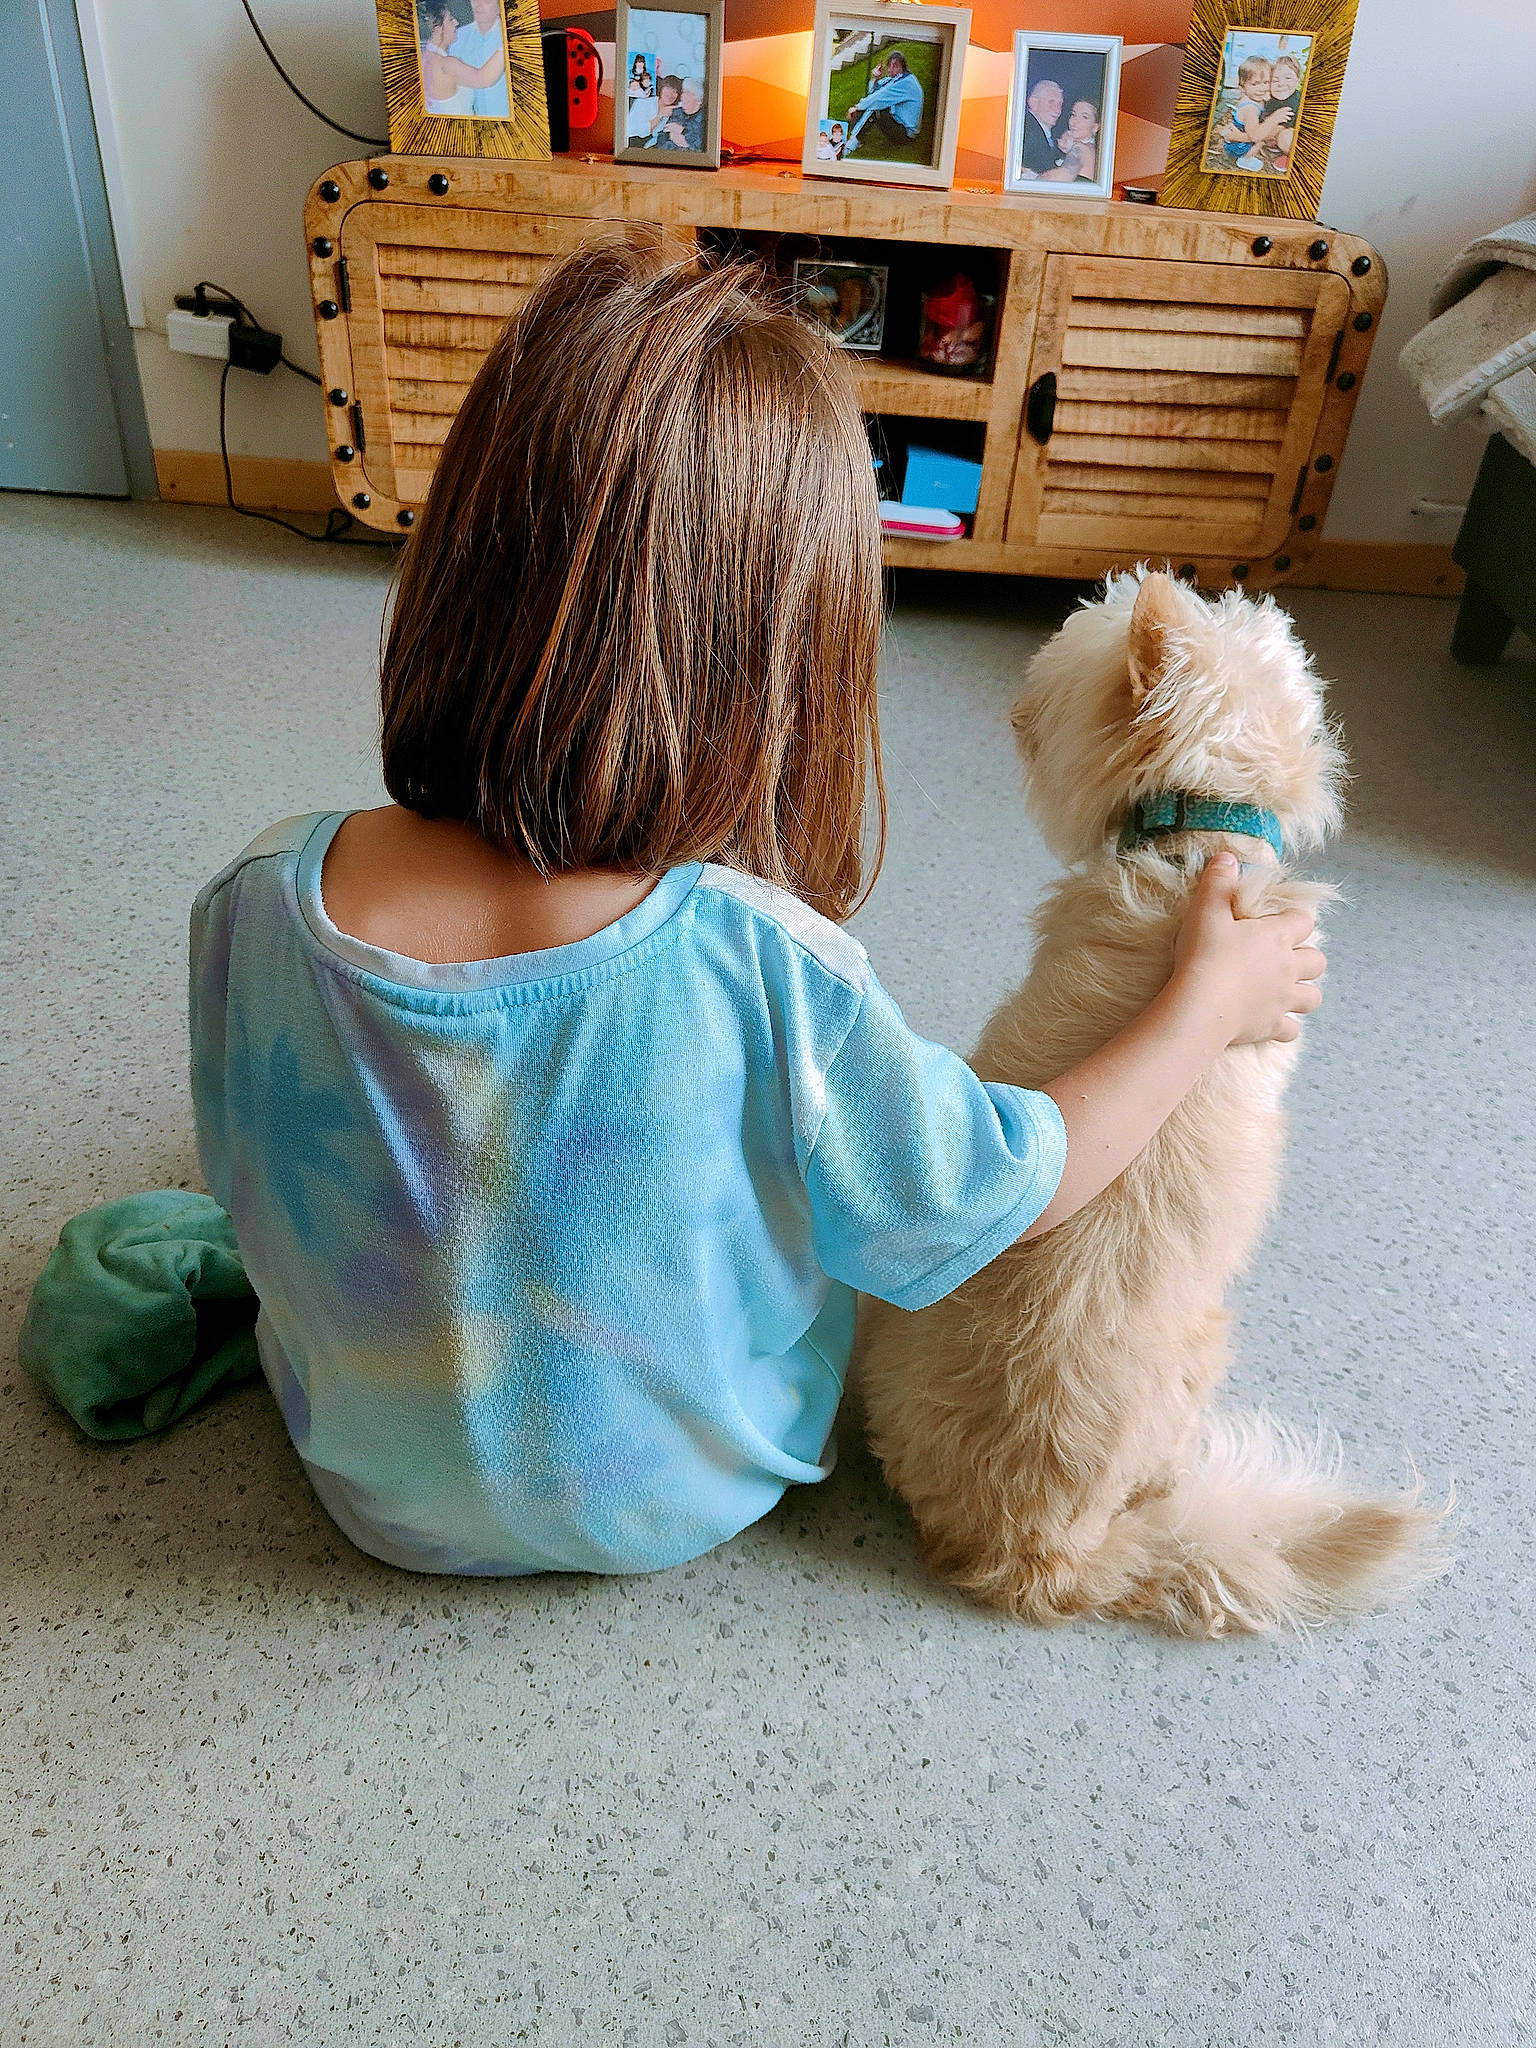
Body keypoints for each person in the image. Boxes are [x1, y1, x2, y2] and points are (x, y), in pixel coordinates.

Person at [188, 245, 1326, 1579]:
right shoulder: (766, 963)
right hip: (685, 1498)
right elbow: (1006, 1186)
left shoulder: (259, 898)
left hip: (369, 1492)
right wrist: (1206, 1007)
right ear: (788, 658)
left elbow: (247, 1180)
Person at [417, 0, 503, 116]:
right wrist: (508, 41)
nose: (456, 23)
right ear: (437, 28)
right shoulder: (446, 64)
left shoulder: (424, 59)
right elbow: (483, 79)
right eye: (450, 20)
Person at [843, 50, 924, 154]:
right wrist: (876, 79)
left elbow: (877, 98)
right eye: (889, 66)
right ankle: (850, 132)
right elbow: (874, 92)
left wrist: (857, 107)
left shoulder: (905, 83)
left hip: (906, 134)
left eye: (893, 66)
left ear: (900, 67)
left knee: (876, 109)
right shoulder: (899, 78)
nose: (889, 70)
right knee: (873, 105)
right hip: (900, 125)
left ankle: (851, 144)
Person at [447, 0, 510, 119]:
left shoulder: (513, 36)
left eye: (486, 1)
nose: (478, 5)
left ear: (500, 6)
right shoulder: (458, 37)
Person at [1215, 54, 1271, 171]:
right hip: (1239, 146)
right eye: (1255, 84)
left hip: (1234, 140)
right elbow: (1252, 136)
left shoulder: (1253, 97)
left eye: (1266, 82)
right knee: (1261, 141)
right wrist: (1264, 136)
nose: (1262, 89)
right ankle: (1245, 159)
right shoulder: (1250, 109)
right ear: (1242, 87)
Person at [1016, 75, 1066, 176]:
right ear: (1033, 103)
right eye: (1051, 102)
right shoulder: (1029, 132)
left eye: (1060, 104)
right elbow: (1046, 174)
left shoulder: (1039, 131)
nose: (1058, 110)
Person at [1050, 96, 1100, 182]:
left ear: (1095, 127)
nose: (1074, 121)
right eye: (1073, 114)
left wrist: (1030, 177)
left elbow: (1059, 179)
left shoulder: (1081, 149)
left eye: (1084, 117)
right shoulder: (1090, 149)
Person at [653, 75, 706, 152]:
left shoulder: (705, 118)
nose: (683, 96)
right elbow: (662, 136)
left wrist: (683, 131)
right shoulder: (677, 112)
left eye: (688, 93)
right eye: (683, 92)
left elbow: (702, 143)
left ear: (699, 100)